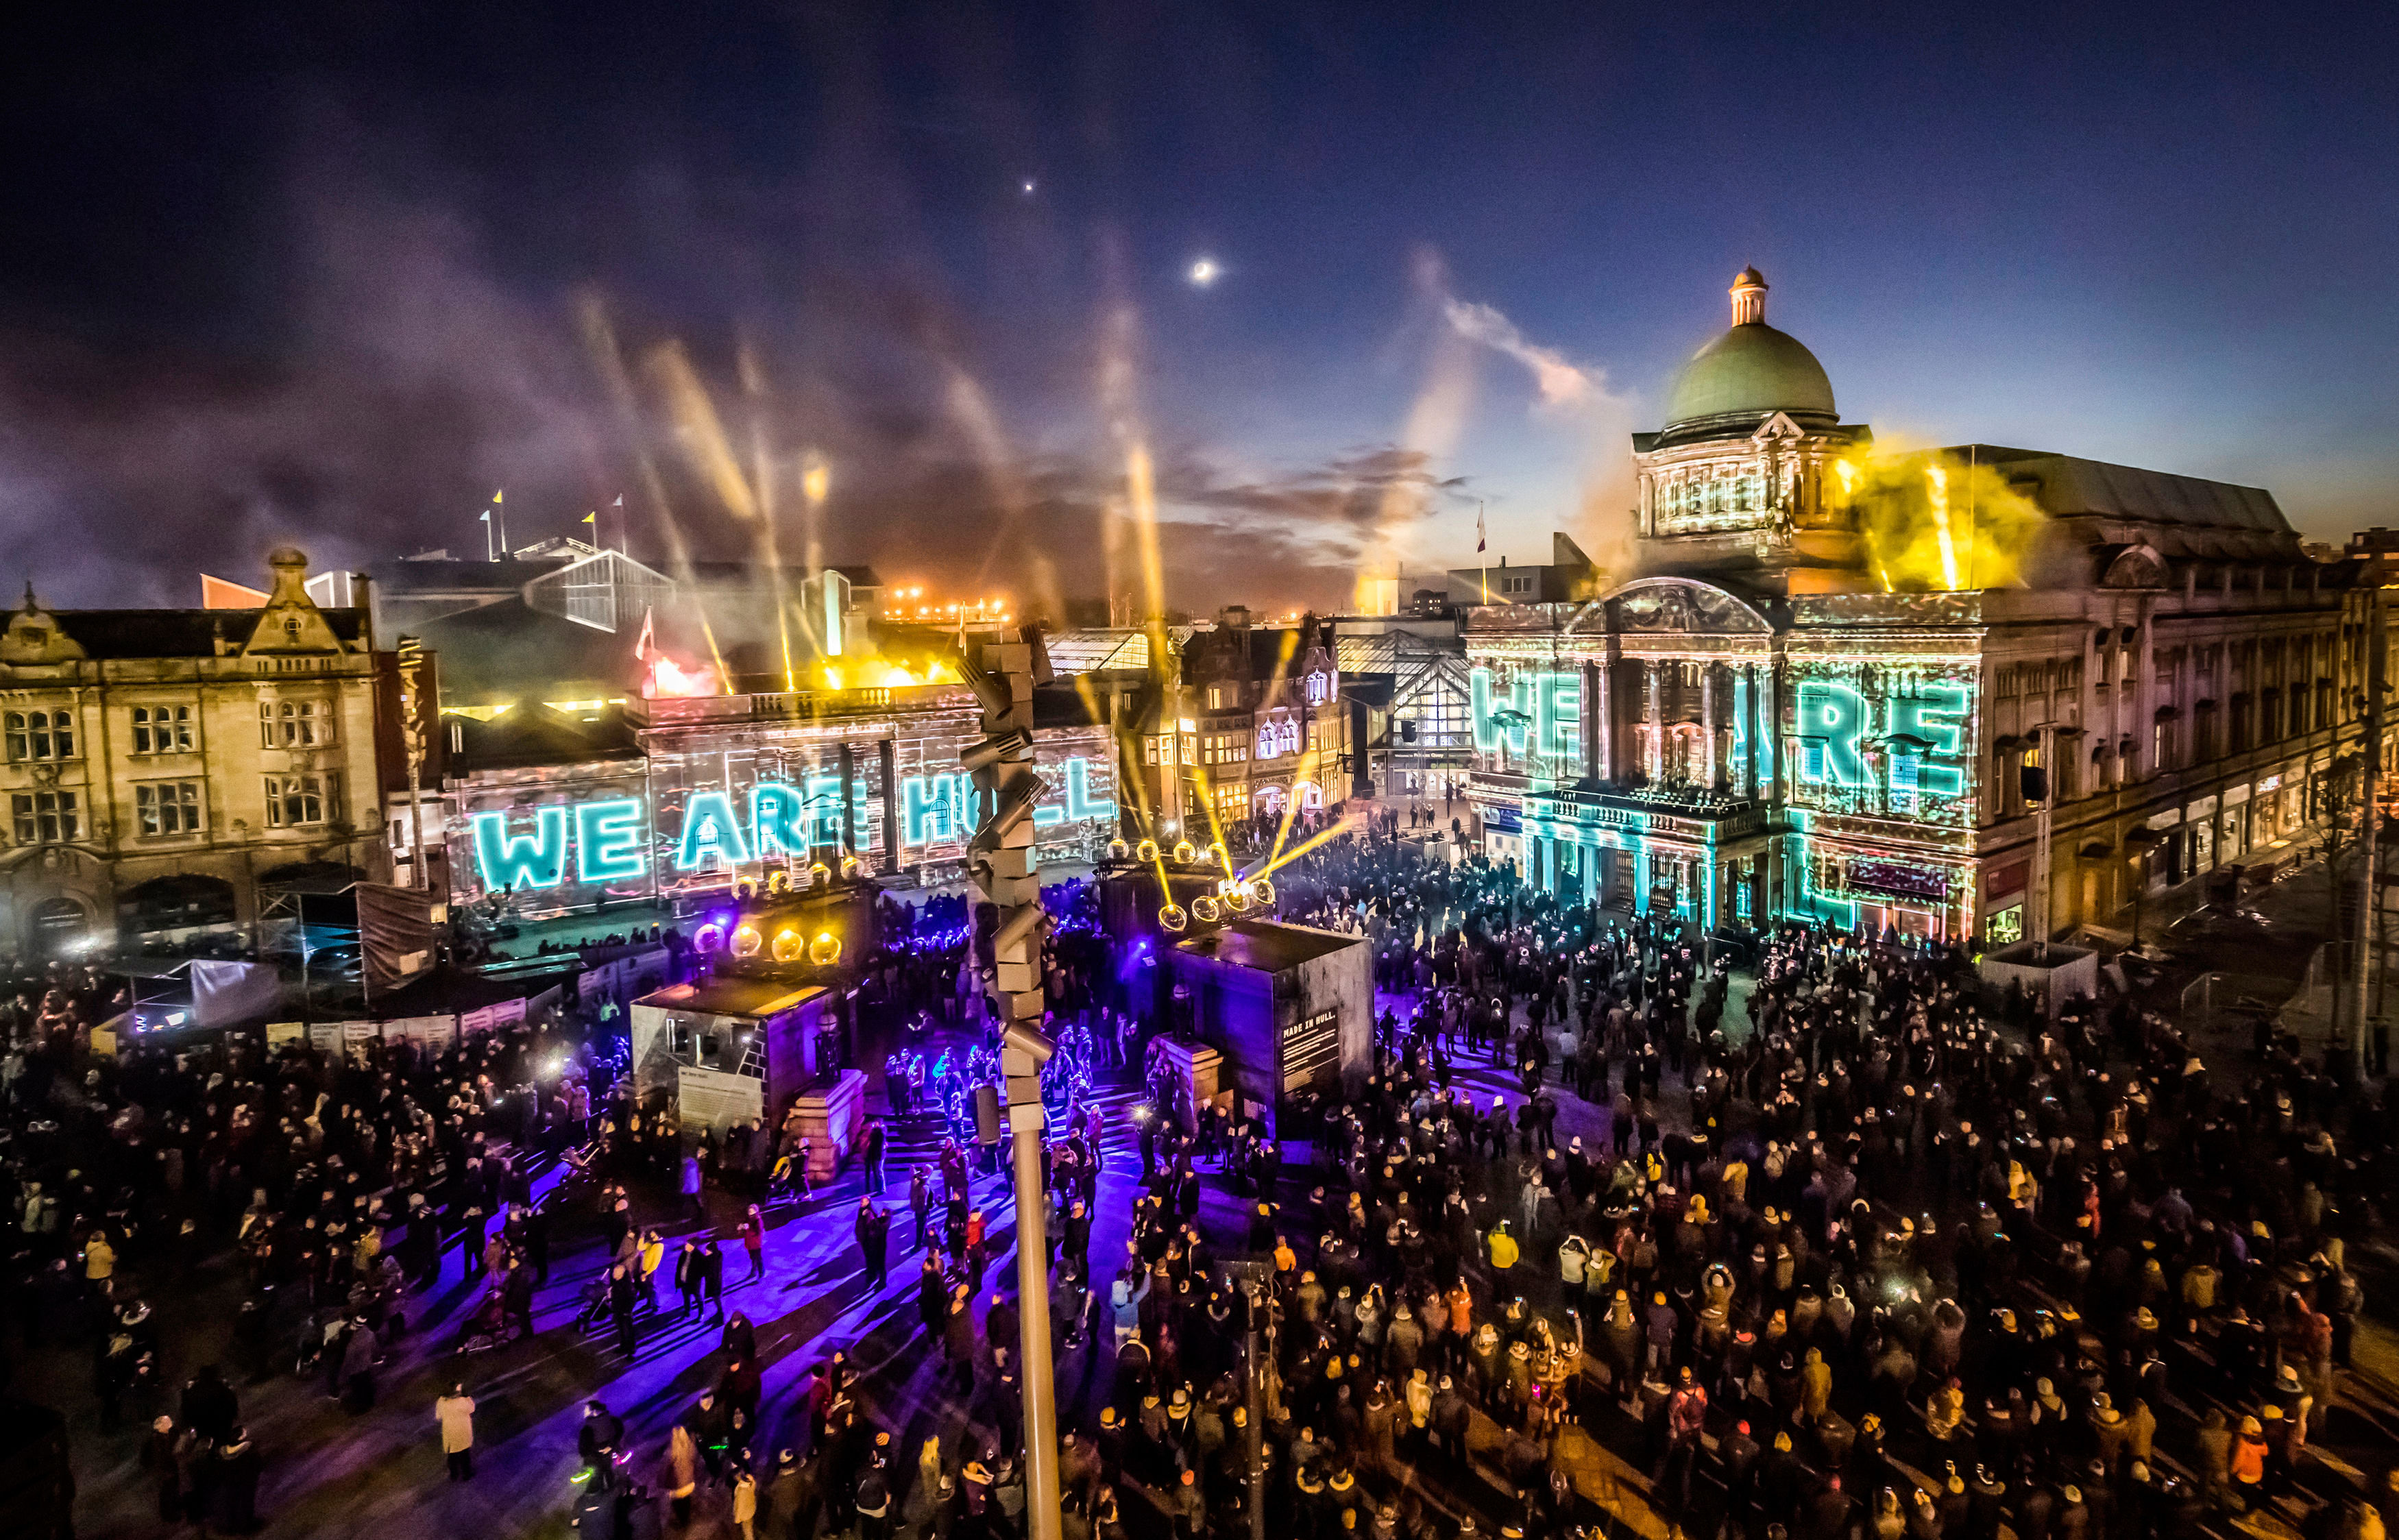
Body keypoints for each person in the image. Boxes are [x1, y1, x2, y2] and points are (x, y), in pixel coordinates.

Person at [436, 1383, 476, 1481]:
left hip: (449, 1433)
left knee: (452, 1456)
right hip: (463, 1432)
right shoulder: (462, 1401)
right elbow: (472, 1409)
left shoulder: (442, 1401)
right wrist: (467, 1397)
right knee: (464, 1455)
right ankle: (466, 1475)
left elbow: (438, 1416)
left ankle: (454, 1475)